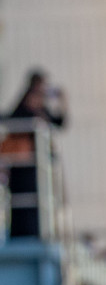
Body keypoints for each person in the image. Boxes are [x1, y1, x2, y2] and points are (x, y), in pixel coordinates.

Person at [4, 70, 67, 240]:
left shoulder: (41, 108)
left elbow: (60, 122)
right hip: (23, 166)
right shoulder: (25, 104)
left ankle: (36, 233)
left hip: (38, 167)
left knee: (39, 203)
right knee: (24, 204)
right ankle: (22, 235)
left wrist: (62, 101)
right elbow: (12, 120)